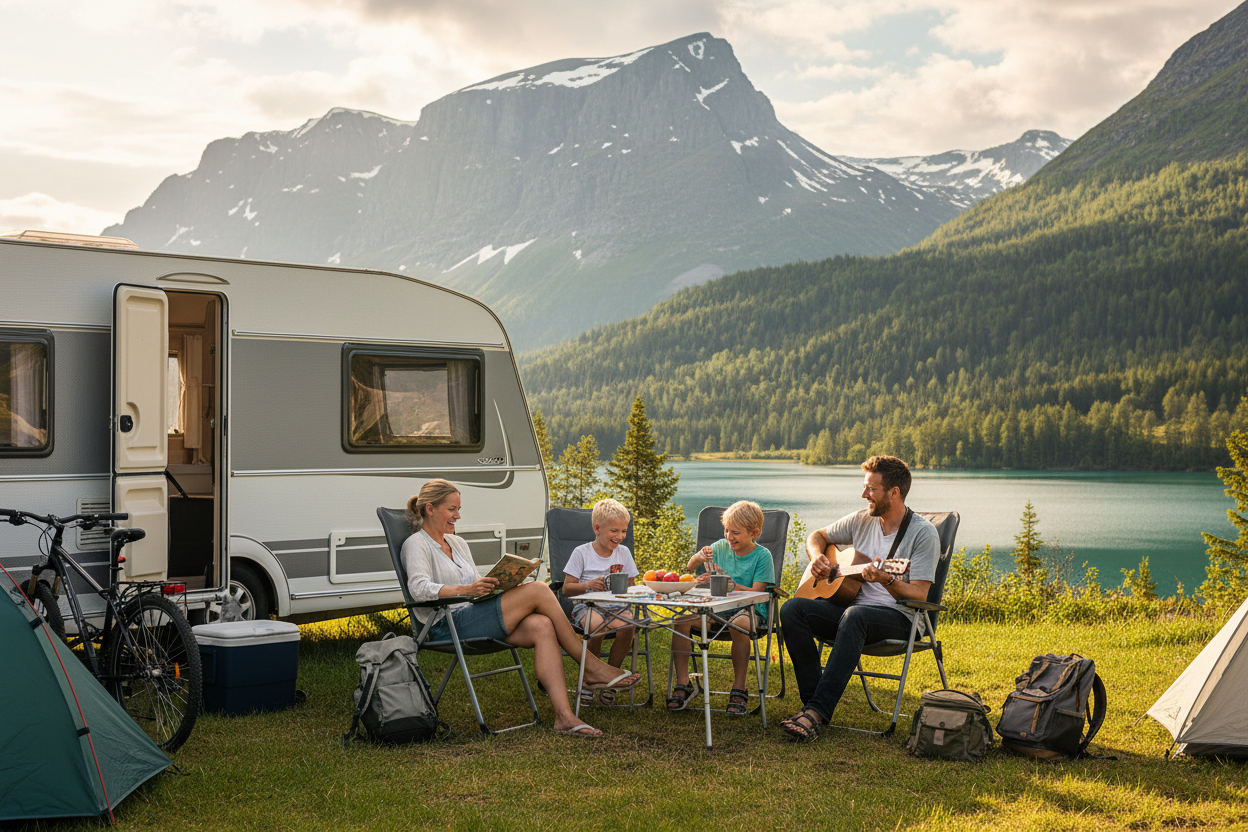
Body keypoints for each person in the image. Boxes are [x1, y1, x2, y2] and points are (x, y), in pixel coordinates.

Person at [402, 479, 640, 738]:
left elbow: (472, 581)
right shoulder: (416, 544)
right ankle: (590, 667)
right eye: (452, 509)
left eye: (458, 509)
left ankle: (564, 717)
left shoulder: (457, 543)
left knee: (542, 625)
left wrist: (501, 582)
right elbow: (419, 588)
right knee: (539, 589)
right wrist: (466, 590)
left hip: (471, 614)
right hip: (444, 624)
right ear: (430, 509)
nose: (458, 515)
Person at [779, 455, 940, 742]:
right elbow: (817, 536)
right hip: (850, 612)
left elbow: (919, 593)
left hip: (901, 618)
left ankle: (815, 713)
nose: (864, 494)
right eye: (865, 487)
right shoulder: (861, 520)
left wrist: (887, 579)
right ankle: (813, 702)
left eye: (871, 489)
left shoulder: (923, 533)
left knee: (855, 616)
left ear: (894, 493)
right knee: (793, 609)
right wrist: (817, 558)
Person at [666, 500, 774, 715]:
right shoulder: (719, 547)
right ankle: (683, 684)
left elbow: (758, 592)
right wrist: (698, 557)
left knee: (740, 624)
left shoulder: (763, 556)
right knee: (681, 622)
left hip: (751, 611)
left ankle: (739, 687)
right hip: (717, 611)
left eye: (735, 532)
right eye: (726, 530)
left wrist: (730, 584)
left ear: (754, 532)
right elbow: (690, 567)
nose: (729, 536)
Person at [560, 498, 638, 705]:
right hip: (587, 606)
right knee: (594, 625)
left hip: (616, 606)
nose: (620, 536)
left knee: (629, 624)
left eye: (623, 531)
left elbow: (631, 586)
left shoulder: (624, 553)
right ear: (597, 528)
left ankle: (612, 677)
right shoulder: (582, 553)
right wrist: (589, 585)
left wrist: (625, 591)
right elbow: (566, 589)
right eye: (614, 531)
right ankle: (590, 678)